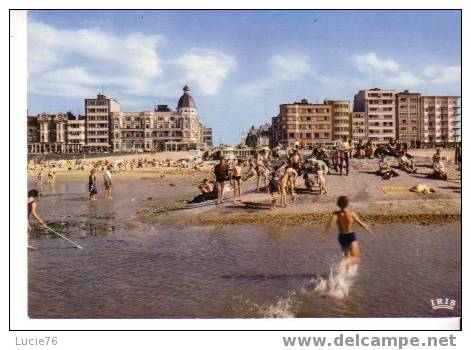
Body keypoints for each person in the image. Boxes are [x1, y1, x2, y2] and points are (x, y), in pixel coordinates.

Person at [321, 196, 373, 270]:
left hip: (341, 237)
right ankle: (344, 264)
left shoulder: (336, 215)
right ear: (347, 204)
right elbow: (360, 223)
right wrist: (368, 229)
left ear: (338, 204)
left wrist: (325, 235)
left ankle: (344, 275)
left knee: (347, 256)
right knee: (356, 258)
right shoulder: (351, 214)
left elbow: (329, 225)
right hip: (350, 236)